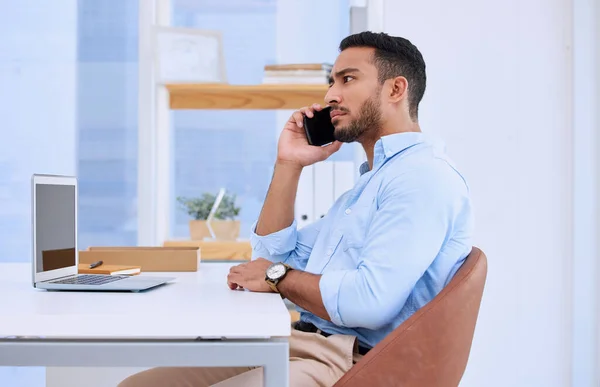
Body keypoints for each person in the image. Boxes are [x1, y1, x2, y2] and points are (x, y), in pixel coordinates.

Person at [119, 31, 473, 387]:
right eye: (331, 82)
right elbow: (270, 254)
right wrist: (289, 163)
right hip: (300, 342)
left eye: (347, 79)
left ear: (396, 90)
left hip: (351, 362)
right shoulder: (369, 185)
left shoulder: (421, 179)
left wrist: (279, 278)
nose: (331, 95)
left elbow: (369, 301)